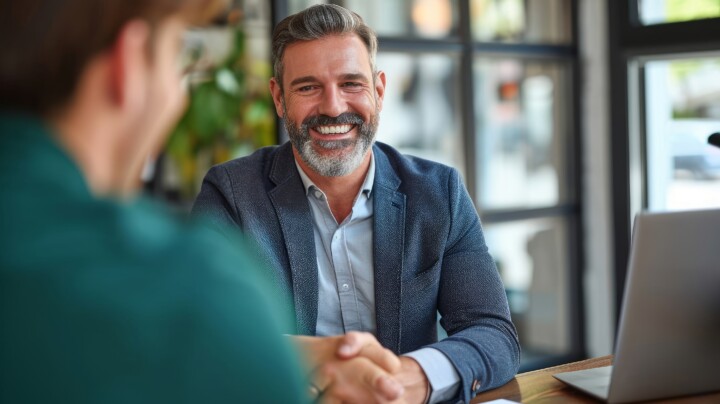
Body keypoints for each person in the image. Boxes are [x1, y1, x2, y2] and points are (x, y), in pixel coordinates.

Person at [0, 1, 395, 402]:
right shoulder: (184, 285)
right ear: (129, 62)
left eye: (351, 83)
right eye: (177, 57)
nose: (178, 101)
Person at [192, 4, 521, 403]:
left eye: (351, 84)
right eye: (308, 87)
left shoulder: (439, 193)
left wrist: (408, 377)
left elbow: (493, 333)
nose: (333, 107)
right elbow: (203, 333)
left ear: (379, 91)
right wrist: (327, 362)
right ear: (278, 98)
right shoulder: (231, 195)